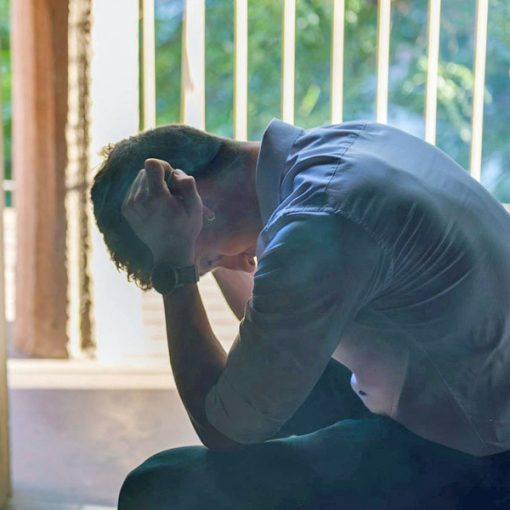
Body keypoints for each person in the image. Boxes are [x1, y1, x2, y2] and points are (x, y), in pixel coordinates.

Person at [91, 119, 510, 509]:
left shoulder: (318, 222)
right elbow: (272, 340)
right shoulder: (340, 149)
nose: (234, 264)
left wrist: (176, 270)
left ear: (199, 204)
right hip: (465, 395)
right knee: (273, 385)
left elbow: (223, 430)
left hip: (479, 458)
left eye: (207, 261)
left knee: (158, 486)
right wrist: (206, 250)